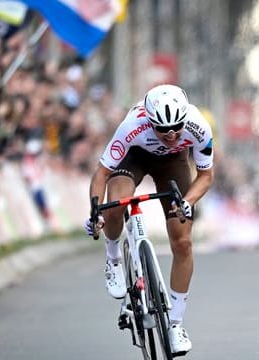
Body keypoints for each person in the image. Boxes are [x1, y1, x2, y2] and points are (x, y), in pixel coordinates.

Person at [84, 84, 214, 355]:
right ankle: (113, 258)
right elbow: (101, 174)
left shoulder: (198, 126)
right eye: (163, 128)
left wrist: (187, 203)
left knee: (183, 243)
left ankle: (176, 324)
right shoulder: (132, 126)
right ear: (149, 120)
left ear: (185, 119)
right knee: (115, 204)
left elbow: (205, 176)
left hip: (173, 162)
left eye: (177, 127)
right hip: (134, 158)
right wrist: (95, 212)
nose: (171, 134)